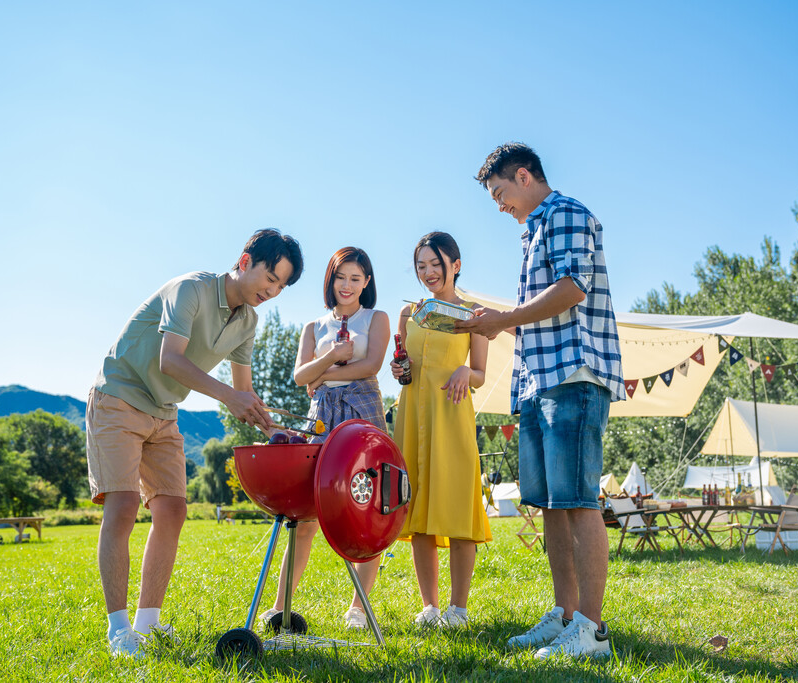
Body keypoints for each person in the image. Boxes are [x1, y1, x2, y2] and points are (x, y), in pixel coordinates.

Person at [87, 229, 304, 658]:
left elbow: (244, 390)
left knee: (172, 509)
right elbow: (171, 359)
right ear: (246, 261)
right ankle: (119, 631)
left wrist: (272, 431)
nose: (273, 291)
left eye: (282, 285)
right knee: (125, 504)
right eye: (271, 278)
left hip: (164, 411)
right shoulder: (191, 289)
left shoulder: (248, 321)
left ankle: (148, 624)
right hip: (119, 396)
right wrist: (231, 398)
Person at [456, 143, 625, 660]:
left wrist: (501, 321)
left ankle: (592, 632)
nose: (499, 205)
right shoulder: (532, 232)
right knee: (551, 504)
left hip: (574, 373)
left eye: (500, 193)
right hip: (537, 381)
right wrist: (500, 319)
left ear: (524, 176)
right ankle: (566, 615)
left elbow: (573, 287)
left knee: (577, 500)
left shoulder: (567, 214)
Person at [259, 247, 390, 630]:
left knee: (365, 505)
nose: (346, 285)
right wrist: (331, 358)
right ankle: (280, 606)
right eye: (340, 277)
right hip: (321, 418)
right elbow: (300, 377)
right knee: (305, 513)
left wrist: (323, 375)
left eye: (355, 278)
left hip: (362, 412)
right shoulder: (313, 328)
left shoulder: (376, 318)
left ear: (366, 282)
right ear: (330, 280)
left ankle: (358, 608)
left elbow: (371, 366)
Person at [391, 231, 491, 628]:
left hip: (451, 416)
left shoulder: (474, 314)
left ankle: (459, 609)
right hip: (413, 416)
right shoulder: (409, 313)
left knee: (457, 504)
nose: (428, 272)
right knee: (418, 509)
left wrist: (468, 370)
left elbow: (481, 373)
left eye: (435, 264)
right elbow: (402, 366)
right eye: (421, 266)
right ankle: (430, 607)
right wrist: (400, 370)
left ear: (456, 264)